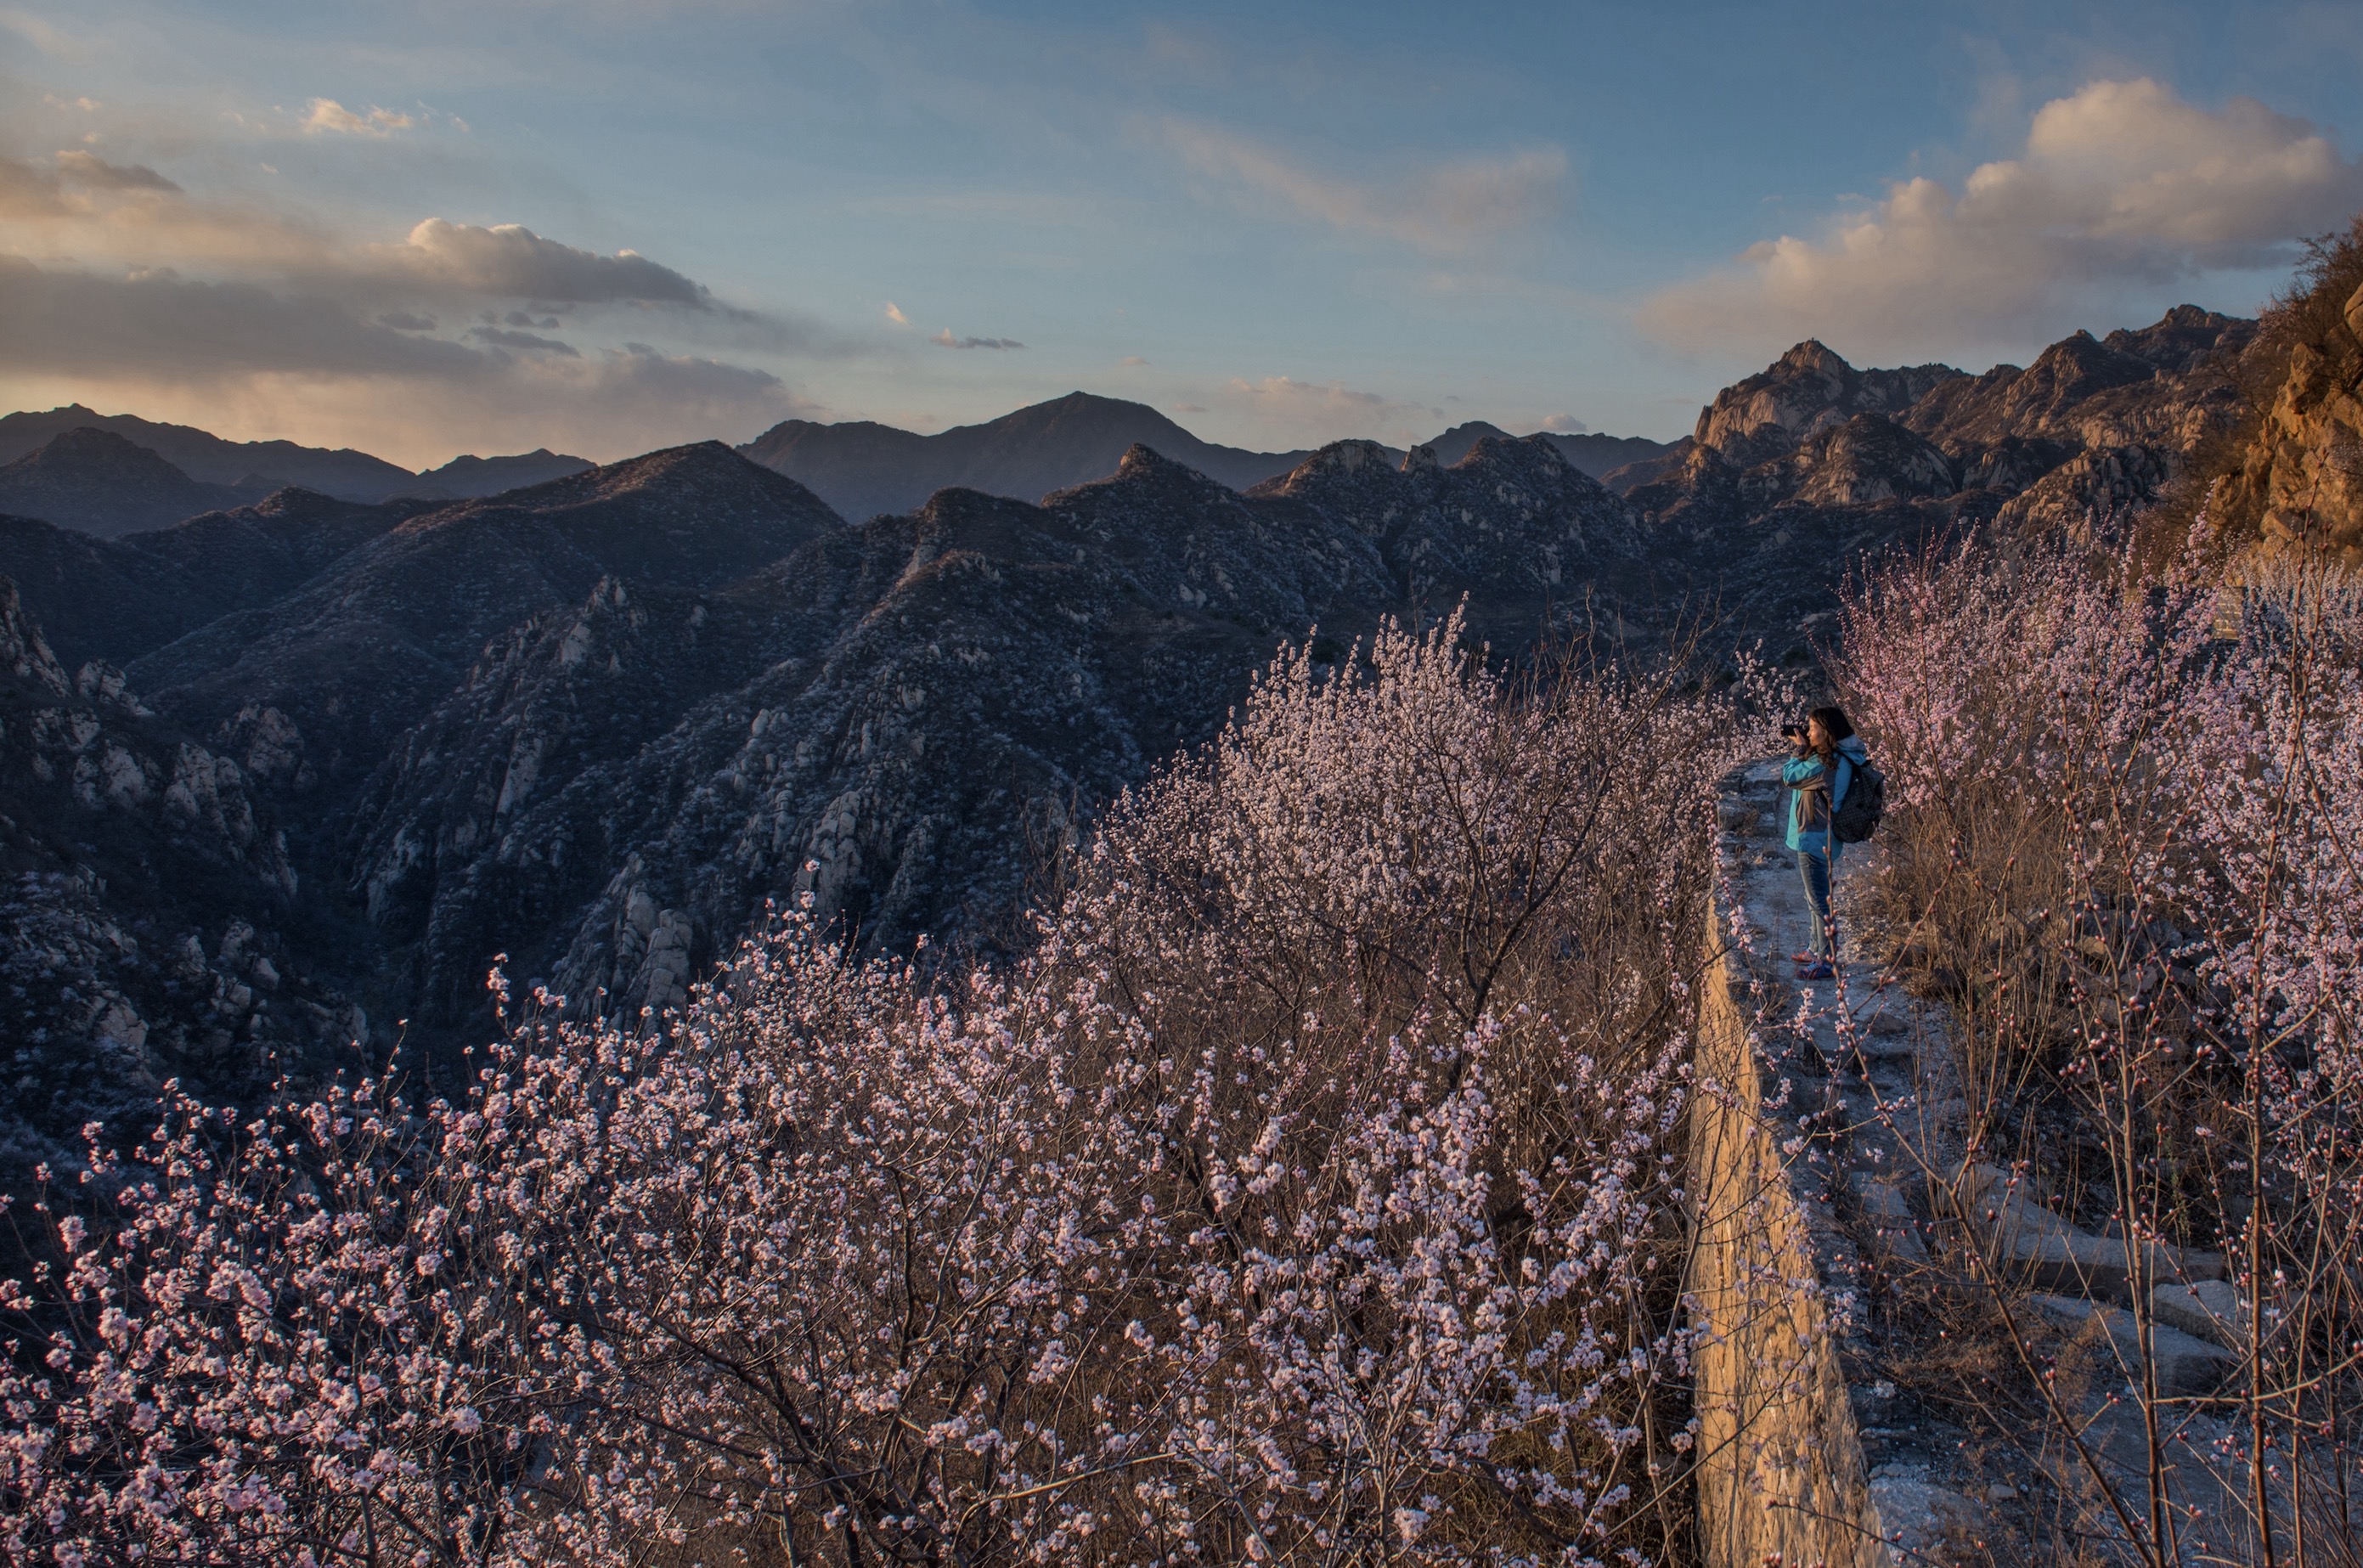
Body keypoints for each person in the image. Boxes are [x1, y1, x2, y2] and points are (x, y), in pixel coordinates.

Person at [1783, 704, 1867, 980]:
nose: (1807, 732)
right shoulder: (1836, 758)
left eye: (1813, 728)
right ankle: (1816, 947)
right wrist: (1807, 748)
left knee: (1819, 901)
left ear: (1827, 732)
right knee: (1813, 898)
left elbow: (1789, 777)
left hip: (1815, 837)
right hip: (1820, 835)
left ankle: (1827, 960)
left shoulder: (1826, 765)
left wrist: (1799, 750)